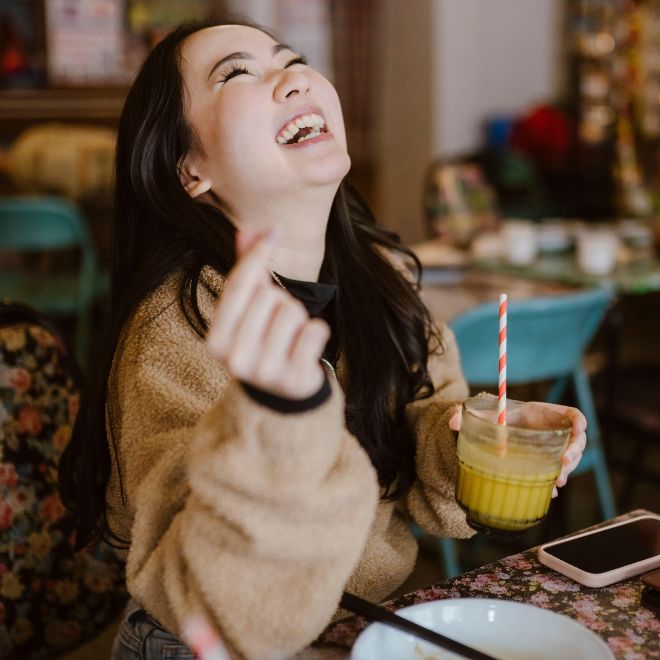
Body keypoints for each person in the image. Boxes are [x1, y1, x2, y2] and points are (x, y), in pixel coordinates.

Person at [58, 17, 587, 660]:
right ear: (189, 169)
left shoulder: (382, 278)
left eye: (294, 59)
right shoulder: (177, 327)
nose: (297, 76)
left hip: (358, 624)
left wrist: (474, 434)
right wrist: (281, 417)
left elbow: (421, 421)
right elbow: (213, 599)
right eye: (239, 72)